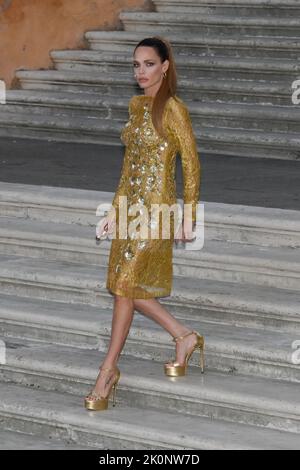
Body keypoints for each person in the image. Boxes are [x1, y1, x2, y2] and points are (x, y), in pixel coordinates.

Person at [84, 36, 204, 411]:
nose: (141, 71)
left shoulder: (173, 109)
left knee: (124, 288)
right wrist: (114, 212)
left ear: (165, 66)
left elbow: (193, 164)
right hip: (131, 212)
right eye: (136, 64)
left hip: (158, 212)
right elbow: (129, 169)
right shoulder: (137, 106)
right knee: (127, 288)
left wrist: (189, 215)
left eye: (149, 64)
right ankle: (184, 336)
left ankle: (107, 371)